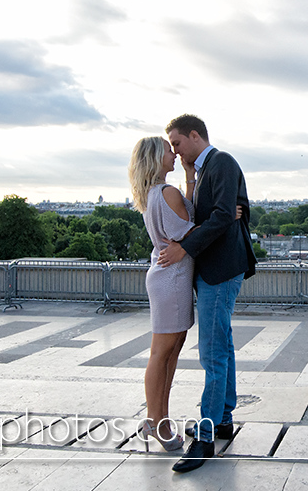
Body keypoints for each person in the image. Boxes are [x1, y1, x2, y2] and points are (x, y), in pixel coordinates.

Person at [157, 114, 257, 473]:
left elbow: (219, 216)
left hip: (219, 270)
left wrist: (184, 247)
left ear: (194, 135)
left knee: (212, 351)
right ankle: (223, 417)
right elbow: (216, 214)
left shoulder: (223, 162)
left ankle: (205, 437)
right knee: (222, 344)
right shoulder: (205, 170)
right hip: (216, 268)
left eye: (177, 143)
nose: (174, 150)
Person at [127, 136, 194, 453]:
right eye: (169, 151)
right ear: (156, 158)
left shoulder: (155, 194)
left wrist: (190, 179)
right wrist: (226, 218)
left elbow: (184, 227)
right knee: (162, 353)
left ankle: (159, 418)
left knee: (168, 352)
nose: (174, 153)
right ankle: (156, 421)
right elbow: (194, 232)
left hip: (168, 277)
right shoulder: (168, 193)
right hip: (173, 279)